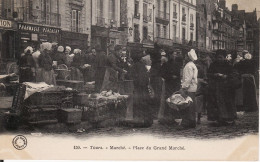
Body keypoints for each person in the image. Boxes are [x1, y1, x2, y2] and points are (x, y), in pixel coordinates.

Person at [206, 49, 238, 126]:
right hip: (216, 87)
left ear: (224, 57)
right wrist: (214, 75)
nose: (219, 59)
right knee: (216, 102)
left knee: (227, 102)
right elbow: (208, 74)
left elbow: (234, 74)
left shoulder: (228, 65)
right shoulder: (213, 64)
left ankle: (229, 118)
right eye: (218, 57)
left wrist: (225, 76)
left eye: (221, 57)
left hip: (226, 87)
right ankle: (219, 118)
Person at [127, 48, 153, 127]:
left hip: (138, 87)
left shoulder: (134, 66)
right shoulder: (142, 65)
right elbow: (146, 77)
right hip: (144, 88)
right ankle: (147, 121)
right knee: (145, 104)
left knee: (138, 104)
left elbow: (130, 76)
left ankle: (139, 122)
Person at [159, 51, 183, 125]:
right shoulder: (166, 64)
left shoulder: (177, 64)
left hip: (175, 85)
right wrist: (170, 77)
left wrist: (178, 83)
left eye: (175, 55)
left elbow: (179, 75)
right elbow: (162, 74)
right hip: (169, 84)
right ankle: (167, 118)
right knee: (168, 100)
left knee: (174, 101)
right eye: (173, 54)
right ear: (169, 55)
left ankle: (173, 118)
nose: (174, 56)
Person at [178, 49, 198, 129]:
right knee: (191, 106)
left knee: (186, 106)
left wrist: (183, 88)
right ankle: (192, 122)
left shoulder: (188, 66)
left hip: (188, 89)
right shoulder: (192, 65)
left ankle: (186, 123)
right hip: (192, 88)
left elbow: (188, 79)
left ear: (187, 57)